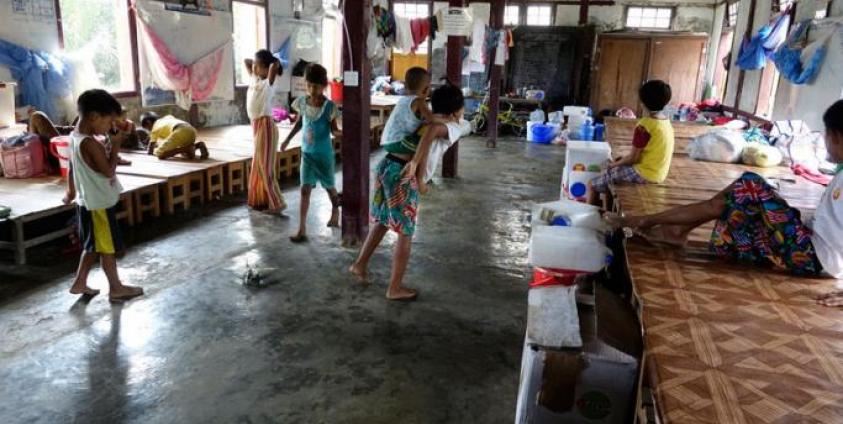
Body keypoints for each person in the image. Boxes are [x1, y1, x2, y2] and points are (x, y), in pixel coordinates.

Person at [608, 100, 843, 282]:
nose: (824, 139)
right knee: (745, 192)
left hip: (812, 255)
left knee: (748, 187)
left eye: (827, 134)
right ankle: (670, 228)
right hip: (806, 242)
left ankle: (652, 223)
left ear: (838, 137)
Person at [349, 83, 466, 301]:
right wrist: (419, 177)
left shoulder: (428, 118)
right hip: (402, 175)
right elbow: (431, 132)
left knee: (383, 220)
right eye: (462, 108)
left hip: (387, 166)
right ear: (455, 110)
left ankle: (360, 264)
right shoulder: (446, 126)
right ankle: (394, 288)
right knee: (406, 231)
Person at [65, 89, 143, 302]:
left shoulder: (75, 136)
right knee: (106, 248)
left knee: (93, 245)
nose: (111, 127)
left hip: (86, 202)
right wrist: (116, 145)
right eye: (109, 122)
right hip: (98, 204)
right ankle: (116, 287)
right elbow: (108, 171)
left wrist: (70, 191)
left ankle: (80, 282)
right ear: (94, 117)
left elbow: (73, 167)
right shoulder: (90, 143)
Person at [588, 80, 674, 205]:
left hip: (645, 174)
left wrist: (613, 165)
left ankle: (587, 221)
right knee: (614, 171)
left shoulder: (645, 125)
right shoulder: (665, 122)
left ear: (643, 101)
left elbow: (633, 158)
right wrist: (621, 162)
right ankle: (607, 213)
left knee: (592, 184)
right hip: (659, 173)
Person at [282, 63, 342, 242]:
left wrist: (344, 134)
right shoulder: (302, 102)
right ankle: (301, 228)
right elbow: (300, 123)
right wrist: (287, 139)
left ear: (324, 86)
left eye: (316, 86)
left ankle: (335, 210)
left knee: (329, 188)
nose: (312, 89)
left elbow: (334, 130)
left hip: (323, 155)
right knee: (304, 190)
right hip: (307, 154)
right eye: (308, 85)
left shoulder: (329, 107)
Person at [245, 49, 287, 214]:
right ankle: (260, 200)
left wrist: (273, 64)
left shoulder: (268, 83)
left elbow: (272, 70)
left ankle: (276, 203)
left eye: (258, 66)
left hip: (265, 126)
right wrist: (256, 65)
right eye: (254, 66)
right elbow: (246, 61)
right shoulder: (255, 79)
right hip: (256, 126)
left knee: (265, 167)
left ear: (267, 68)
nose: (254, 68)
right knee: (257, 165)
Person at [379, 67, 445, 149]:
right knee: (431, 142)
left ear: (405, 85)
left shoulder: (403, 100)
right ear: (426, 89)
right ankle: (419, 161)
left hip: (387, 140)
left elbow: (426, 117)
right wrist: (449, 120)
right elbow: (431, 119)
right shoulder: (419, 101)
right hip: (398, 142)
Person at [141, 112, 208, 160]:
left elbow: (150, 151)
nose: (148, 131)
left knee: (160, 153)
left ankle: (187, 148)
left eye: (147, 128)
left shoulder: (154, 128)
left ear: (148, 122)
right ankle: (198, 145)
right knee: (184, 155)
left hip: (180, 131)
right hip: (191, 130)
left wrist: (149, 149)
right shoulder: (167, 118)